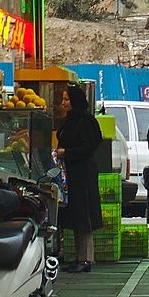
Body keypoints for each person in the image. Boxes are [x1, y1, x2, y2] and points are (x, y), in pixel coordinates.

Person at [55, 84, 103, 273]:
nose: (63, 103)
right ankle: (80, 257)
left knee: (83, 215)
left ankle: (85, 259)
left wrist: (67, 153)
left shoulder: (85, 121)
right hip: (71, 174)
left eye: (67, 99)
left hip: (83, 174)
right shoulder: (69, 120)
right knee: (76, 215)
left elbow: (90, 146)